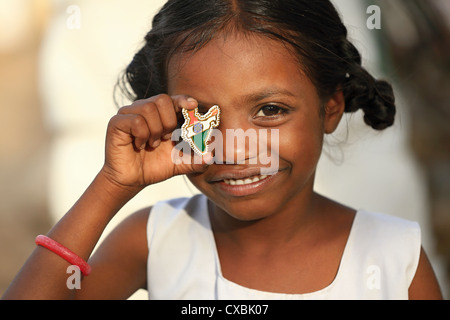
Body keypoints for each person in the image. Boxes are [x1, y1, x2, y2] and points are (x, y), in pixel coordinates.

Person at [2, 0, 442, 300]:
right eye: (202, 118)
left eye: (270, 110)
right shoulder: (154, 239)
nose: (234, 145)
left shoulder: (394, 258)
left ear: (330, 107)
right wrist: (112, 184)